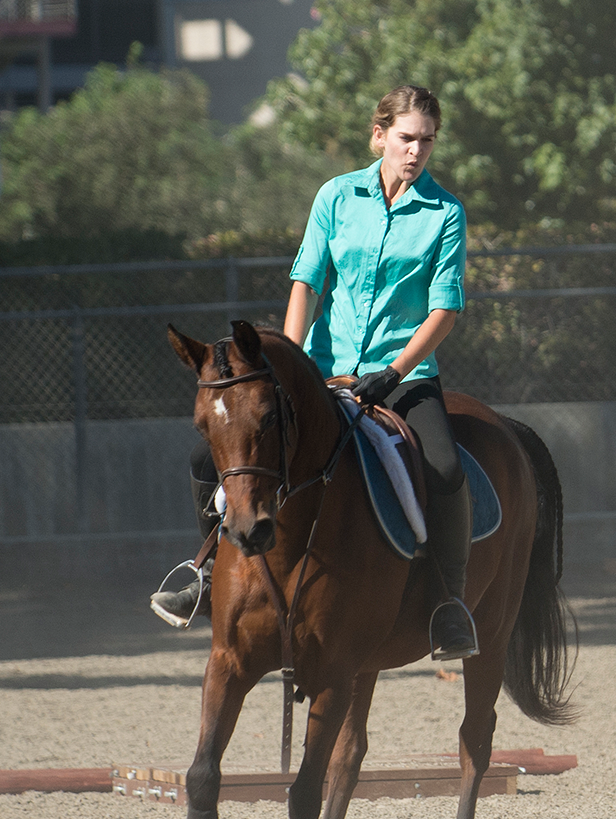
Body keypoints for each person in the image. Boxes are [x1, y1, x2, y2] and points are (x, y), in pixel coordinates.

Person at [149, 84, 479, 660]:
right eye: (405, 138)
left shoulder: (446, 213)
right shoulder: (335, 196)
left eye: (427, 140)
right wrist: (290, 363)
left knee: (445, 468)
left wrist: (394, 372)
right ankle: (203, 572)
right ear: (379, 136)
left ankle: (450, 603)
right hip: (321, 373)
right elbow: (308, 283)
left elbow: (444, 310)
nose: (416, 151)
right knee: (208, 457)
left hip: (404, 374)